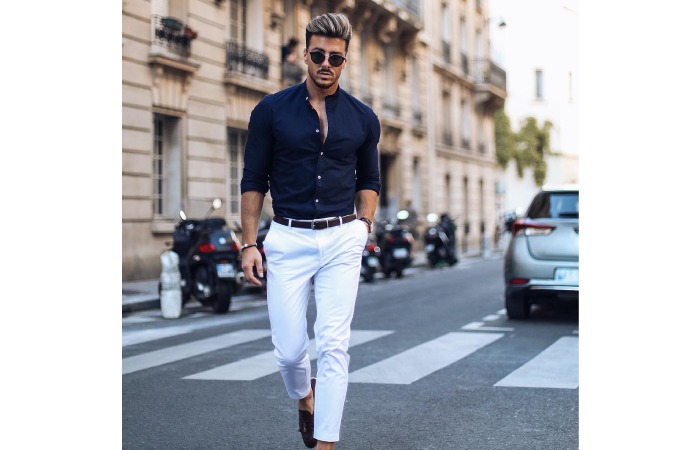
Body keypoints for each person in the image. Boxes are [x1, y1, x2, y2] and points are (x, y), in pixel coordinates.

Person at [239, 13, 381, 450]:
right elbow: (253, 180)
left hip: (341, 236)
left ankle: (326, 443)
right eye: (318, 55)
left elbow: (370, 179)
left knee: (335, 345)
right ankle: (305, 397)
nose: (326, 64)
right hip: (288, 236)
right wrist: (248, 243)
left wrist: (364, 226)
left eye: (335, 58)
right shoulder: (270, 111)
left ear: (345, 61)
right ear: (304, 55)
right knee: (288, 352)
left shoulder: (363, 118)